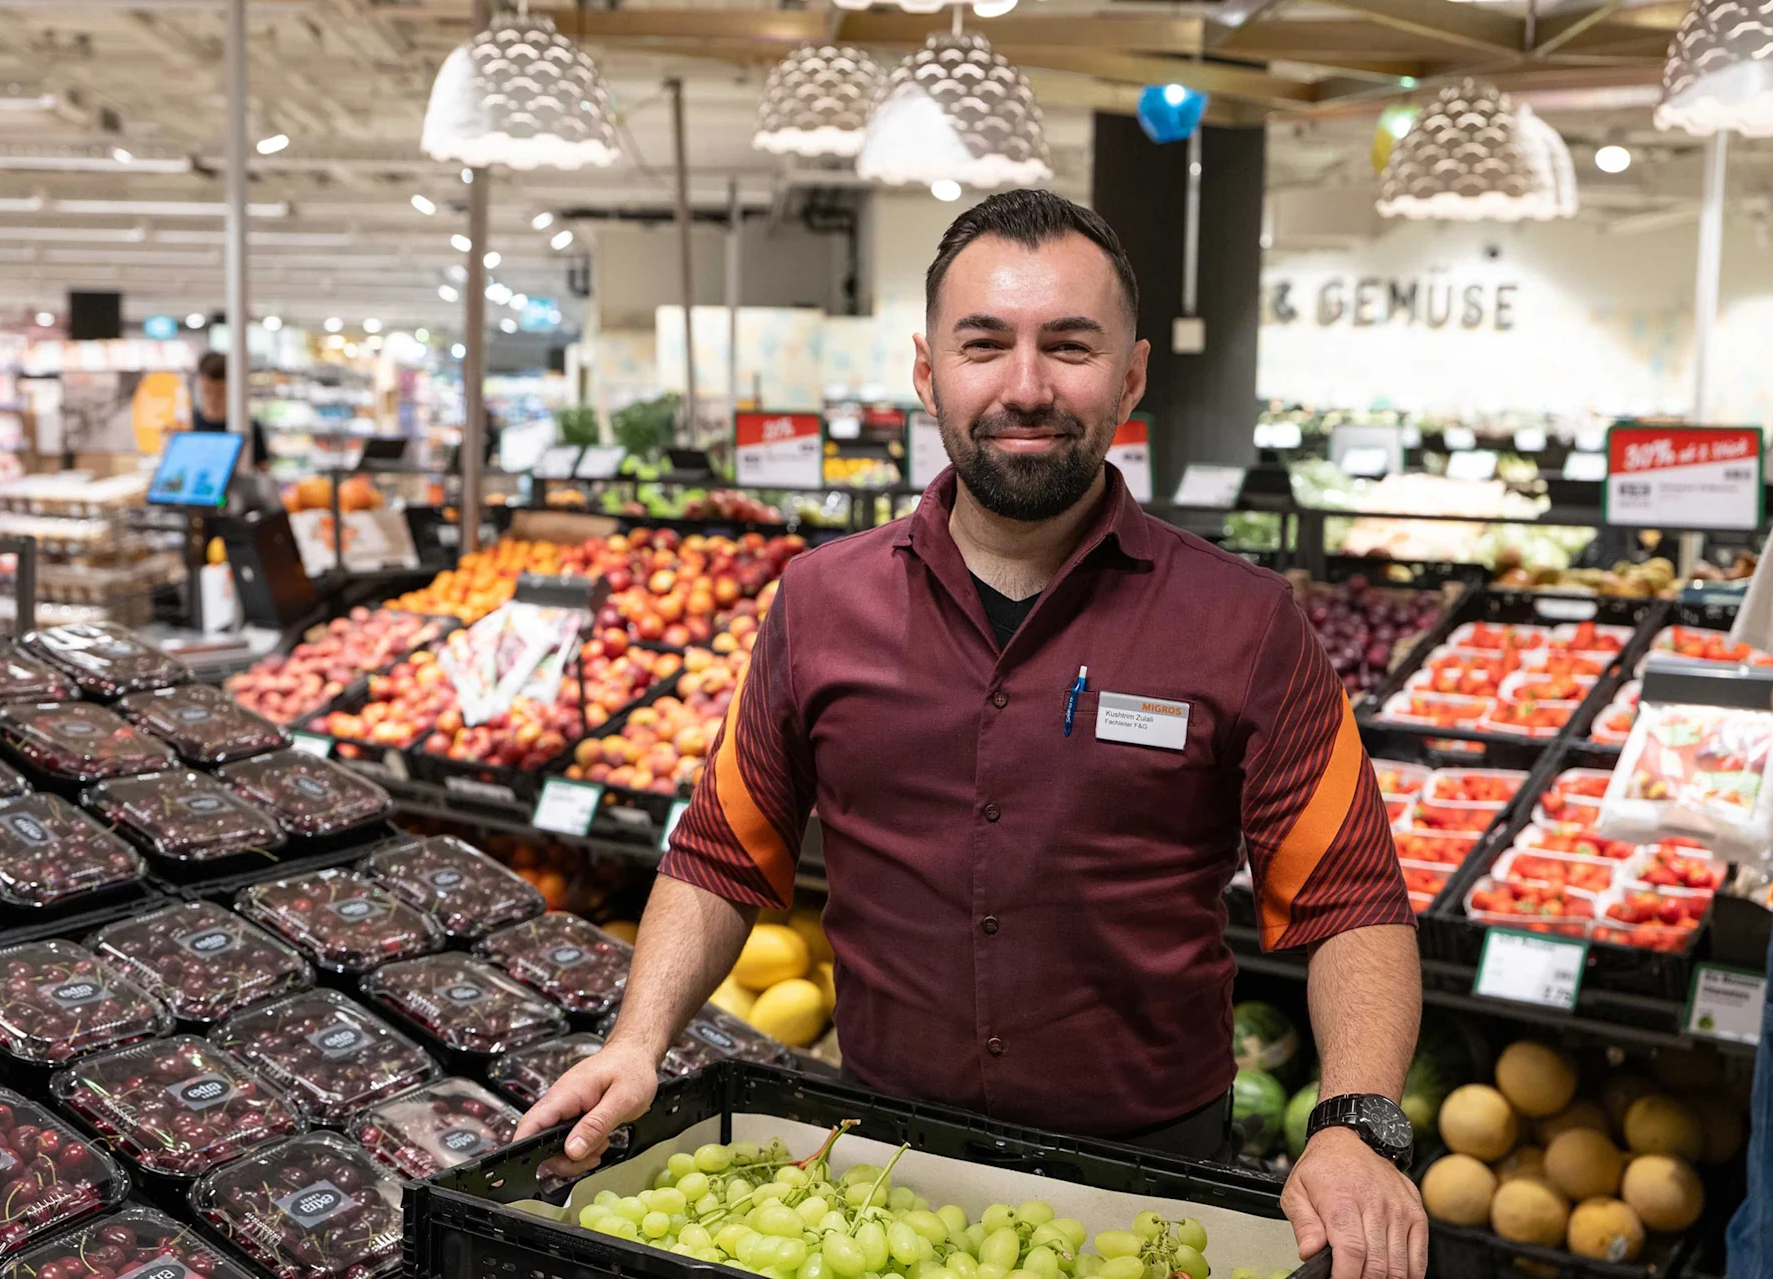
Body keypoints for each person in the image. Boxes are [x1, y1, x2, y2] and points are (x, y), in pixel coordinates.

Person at [514, 190, 1429, 1279]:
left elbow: (1352, 900)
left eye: (1070, 346)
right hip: (882, 1173)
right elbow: (719, 856)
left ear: (1131, 375)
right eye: (984, 344)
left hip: (1147, 1188)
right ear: (927, 370)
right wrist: (635, 1041)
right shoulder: (818, 603)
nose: (1027, 386)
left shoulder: (1242, 622)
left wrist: (1359, 1121)